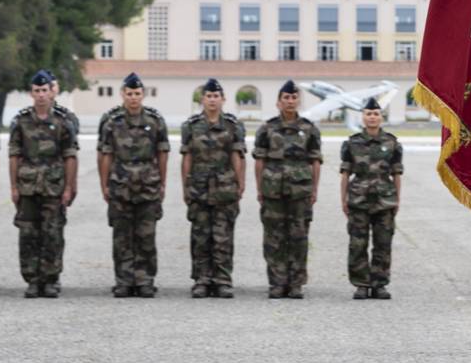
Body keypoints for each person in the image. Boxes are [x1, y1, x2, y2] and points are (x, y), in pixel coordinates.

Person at [6, 70, 78, 298]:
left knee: (52, 233)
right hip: (28, 187)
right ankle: (32, 279)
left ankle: (51, 278)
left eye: (44, 90)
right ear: (31, 93)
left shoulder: (62, 122)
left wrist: (68, 187)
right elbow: (14, 155)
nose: (40, 95)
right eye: (36, 91)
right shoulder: (21, 121)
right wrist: (14, 187)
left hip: (53, 187)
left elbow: (70, 156)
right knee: (28, 234)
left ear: (51, 92)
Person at [97, 71, 169, 297]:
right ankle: (124, 280)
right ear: (122, 94)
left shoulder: (155, 121)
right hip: (120, 184)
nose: (133, 97)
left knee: (146, 235)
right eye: (129, 93)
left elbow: (162, 153)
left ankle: (145, 280)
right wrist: (104, 184)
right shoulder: (112, 122)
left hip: (148, 184)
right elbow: (106, 154)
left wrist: (162, 183)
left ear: (143, 95)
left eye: (137, 93)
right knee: (122, 236)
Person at [252, 80, 321, 298]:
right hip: (273, 191)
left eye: (293, 98)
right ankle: (277, 282)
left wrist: (314, 190)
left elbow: (315, 162)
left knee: (299, 237)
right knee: (274, 238)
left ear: (299, 101)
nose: (290, 102)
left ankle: (296, 283)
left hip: (300, 193)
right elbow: (259, 161)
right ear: (278, 102)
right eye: (286, 98)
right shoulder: (267, 128)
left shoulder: (309, 129)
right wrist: (259, 188)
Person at [181, 78, 246, 297]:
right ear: (202, 99)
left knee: (223, 236)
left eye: (216, 96)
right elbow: (187, 157)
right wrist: (185, 184)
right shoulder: (191, 126)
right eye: (208, 96)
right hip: (199, 187)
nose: (212, 100)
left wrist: (240, 183)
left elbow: (237, 155)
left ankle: (222, 280)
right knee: (200, 236)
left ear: (223, 99)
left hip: (225, 186)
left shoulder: (232, 125)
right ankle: (201, 279)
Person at [340, 97, 403, 299]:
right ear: (363, 118)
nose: (372, 117)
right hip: (358, 199)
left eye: (376, 113)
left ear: (381, 117)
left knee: (383, 243)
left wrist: (397, 199)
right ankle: (361, 284)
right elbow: (345, 174)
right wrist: (343, 199)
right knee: (357, 244)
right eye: (368, 114)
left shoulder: (391, 143)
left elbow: (397, 174)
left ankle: (379, 284)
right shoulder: (352, 143)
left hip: (385, 200)